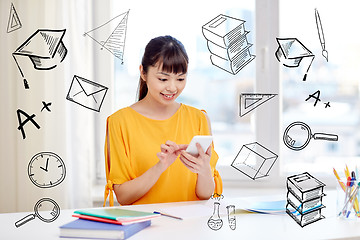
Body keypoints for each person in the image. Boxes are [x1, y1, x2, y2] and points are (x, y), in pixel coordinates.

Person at [103, 35, 222, 206]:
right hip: (145, 226)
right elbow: (123, 196)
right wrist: (161, 166)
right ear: (143, 73)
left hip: (190, 227)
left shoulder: (199, 119)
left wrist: (203, 170)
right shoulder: (120, 122)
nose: (173, 87)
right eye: (163, 79)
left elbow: (205, 195)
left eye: (180, 79)